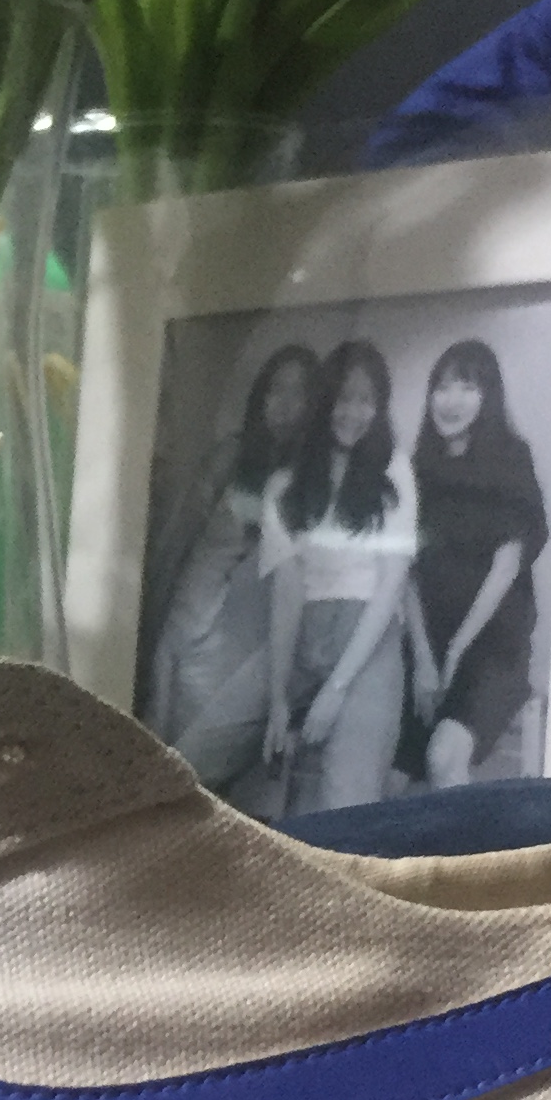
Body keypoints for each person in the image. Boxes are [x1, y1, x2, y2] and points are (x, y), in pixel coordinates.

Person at [148, 343, 317, 790]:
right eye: (276, 390)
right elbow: (182, 537)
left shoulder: (309, 478)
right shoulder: (231, 456)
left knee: (198, 765)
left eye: (298, 393)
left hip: (244, 642)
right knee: (157, 741)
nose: (285, 404)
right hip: (190, 614)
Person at [258, 338, 414, 815]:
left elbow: (391, 586)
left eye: (367, 401)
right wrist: (278, 696)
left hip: (369, 638)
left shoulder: (394, 471)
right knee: (241, 751)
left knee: (347, 799)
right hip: (306, 632)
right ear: (324, 401)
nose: (353, 413)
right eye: (344, 399)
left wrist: (336, 689)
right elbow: (287, 594)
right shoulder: (284, 486)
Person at [400, 337, 549, 788]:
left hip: (492, 648)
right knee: (386, 777)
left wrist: (455, 652)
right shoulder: (417, 468)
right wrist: (425, 659)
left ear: (488, 397)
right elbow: (405, 572)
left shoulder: (512, 459)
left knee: (443, 757)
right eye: (442, 387)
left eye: (467, 387)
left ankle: (462, 841)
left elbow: (507, 566)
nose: (451, 401)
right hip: (426, 646)